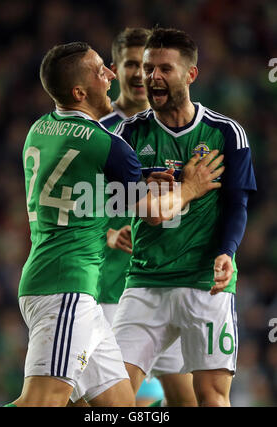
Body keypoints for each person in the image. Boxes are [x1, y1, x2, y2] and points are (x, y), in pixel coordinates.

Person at [5, 41, 223, 407]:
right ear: (79, 92)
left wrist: (144, 176)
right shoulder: (107, 144)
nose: (110, 76)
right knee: (40, 403)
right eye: (99, 71)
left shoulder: (41, 128)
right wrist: (190, 188)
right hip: (65, 288)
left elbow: (86, 187)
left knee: (122, 407)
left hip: (64, 286)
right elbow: (154, 212)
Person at [109, 27, 257, 407]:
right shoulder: (128, 133)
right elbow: (131, 204)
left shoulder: (226, 133)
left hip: (204, 282)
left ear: (190, 74)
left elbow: (237, 204)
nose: (152, 77)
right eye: (147, 68)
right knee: (112, 396)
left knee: (210, 397)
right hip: (146, 280)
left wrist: (227, 251)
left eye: (164, 69)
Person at [99, 27, 197, 407]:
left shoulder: (186, 128)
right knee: (114, 401)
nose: (143, 75)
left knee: (184, 398)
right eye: (132, 65)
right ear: (116, 69)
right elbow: (77, 205)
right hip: (111, 288)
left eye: (150, 67)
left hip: (169, 282)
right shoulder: (101, 134)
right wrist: (106, 233)